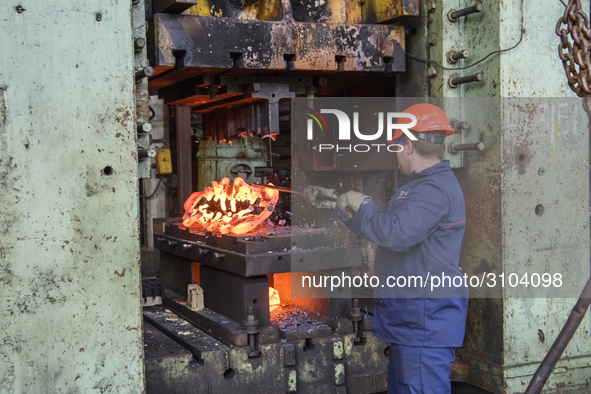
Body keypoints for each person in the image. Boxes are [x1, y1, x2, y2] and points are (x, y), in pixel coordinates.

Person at [304, 103, 468, 394]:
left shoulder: (434, 190)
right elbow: (383, 225)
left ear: (407, 146)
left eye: (395, 146)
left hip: (423, 322)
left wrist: (364, 205)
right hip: (410, 320)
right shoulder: (417, 187)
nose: (395, 155)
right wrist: (336, 206)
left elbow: (395, 234)